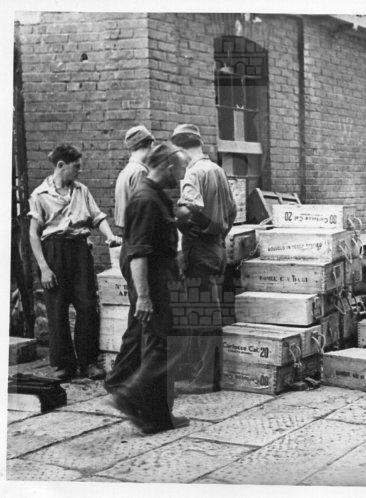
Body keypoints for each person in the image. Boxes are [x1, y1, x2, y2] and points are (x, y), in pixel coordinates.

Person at [105, 142, 190, 434]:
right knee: (163, 345)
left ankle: (155, 418)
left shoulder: (156, 196)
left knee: (159, 345)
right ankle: (129, 396)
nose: (182, 175)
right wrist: (143, 297)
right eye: (180, 168)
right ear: (168, 166)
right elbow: (138, 253)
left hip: (161, 279)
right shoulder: (145, 199)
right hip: (152, 284)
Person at [28, 144, 121, 381]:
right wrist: (44, 268)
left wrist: (109, 235)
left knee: (87, 306)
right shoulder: (40, 195)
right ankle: (63, 365)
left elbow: (97, 217)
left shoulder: (81, 190)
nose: (80, 171)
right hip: (54, 253)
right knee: (57, 310)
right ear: (61, 165)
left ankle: (88, 362)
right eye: (76, 167)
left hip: (79, 252)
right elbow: (33, 234)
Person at [171, 124, 236, 393]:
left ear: (181, 149)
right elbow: (232, 211)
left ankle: (206, 378)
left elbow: (190, 208)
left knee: (202, 314)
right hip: (216, 247)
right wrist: (218, 235)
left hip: (199, 249)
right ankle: (207, 373)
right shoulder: (217, 170)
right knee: (210, 310)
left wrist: (176, 220)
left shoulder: (194, 172)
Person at [114, 125, 155, 230]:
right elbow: (143, 211)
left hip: (128, 231)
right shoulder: (140, 171)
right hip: (137, 230)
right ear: (149, 144)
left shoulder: (127, 170)